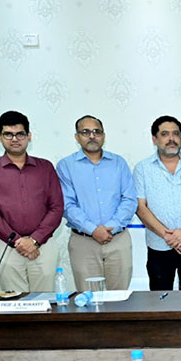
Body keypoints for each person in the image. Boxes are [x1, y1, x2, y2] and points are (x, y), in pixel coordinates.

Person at [0, 110, 64, 293]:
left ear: (29, 136)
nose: (14, 139)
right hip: (6, 246)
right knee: (14, 305)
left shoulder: (45, 167)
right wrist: (18, 241)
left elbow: (56, 207)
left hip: (43, 245)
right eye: (8, 134)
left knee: (45, 302)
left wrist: (35, 240)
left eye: (20, 134)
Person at [56, 115, 137, 292]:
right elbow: (67, 204)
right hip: (83, 242)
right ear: (77, 137)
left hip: (118, 239)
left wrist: (111, 227)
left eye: (96, 131)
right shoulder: (66, 166)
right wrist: (93, 230)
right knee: (89, 301)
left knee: (120, 299)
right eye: (85, 132)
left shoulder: (118, 163)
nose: (92, 136)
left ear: (104, 135)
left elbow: (129, 199)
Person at [133, 115, 181, 291]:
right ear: (155, 139)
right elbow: (140, 207)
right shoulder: (142, 168)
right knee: (160, 301)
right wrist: (169, 236)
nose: (171, 139)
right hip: (159, 244)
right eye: (165, 134)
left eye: (176, 134)